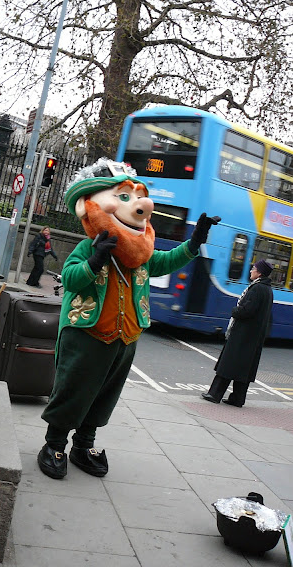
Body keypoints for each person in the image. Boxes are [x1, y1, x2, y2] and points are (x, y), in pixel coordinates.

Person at [37, 158, 220, 479]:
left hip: (125, 339)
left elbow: (167, 260)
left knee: (104, 395)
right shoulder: (88, 247)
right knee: (74, 391)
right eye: (123, 197)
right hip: (87, 335)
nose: (138, 206)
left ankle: (84, 445)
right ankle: (54, 444)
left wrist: (194, 243)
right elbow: (70, 279)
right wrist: (94, 260)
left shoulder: (141, 258)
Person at [201, 259, 273, 408]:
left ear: (259, 273)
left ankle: (215, 394)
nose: (251, 270)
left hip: (243, 334)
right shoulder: (267, 289)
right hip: (252, 336)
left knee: (228, 364)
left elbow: (247, 310)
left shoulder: (257, 288)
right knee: (243, 368)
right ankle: (237, 399)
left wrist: (235, 311)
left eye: (254, 268)